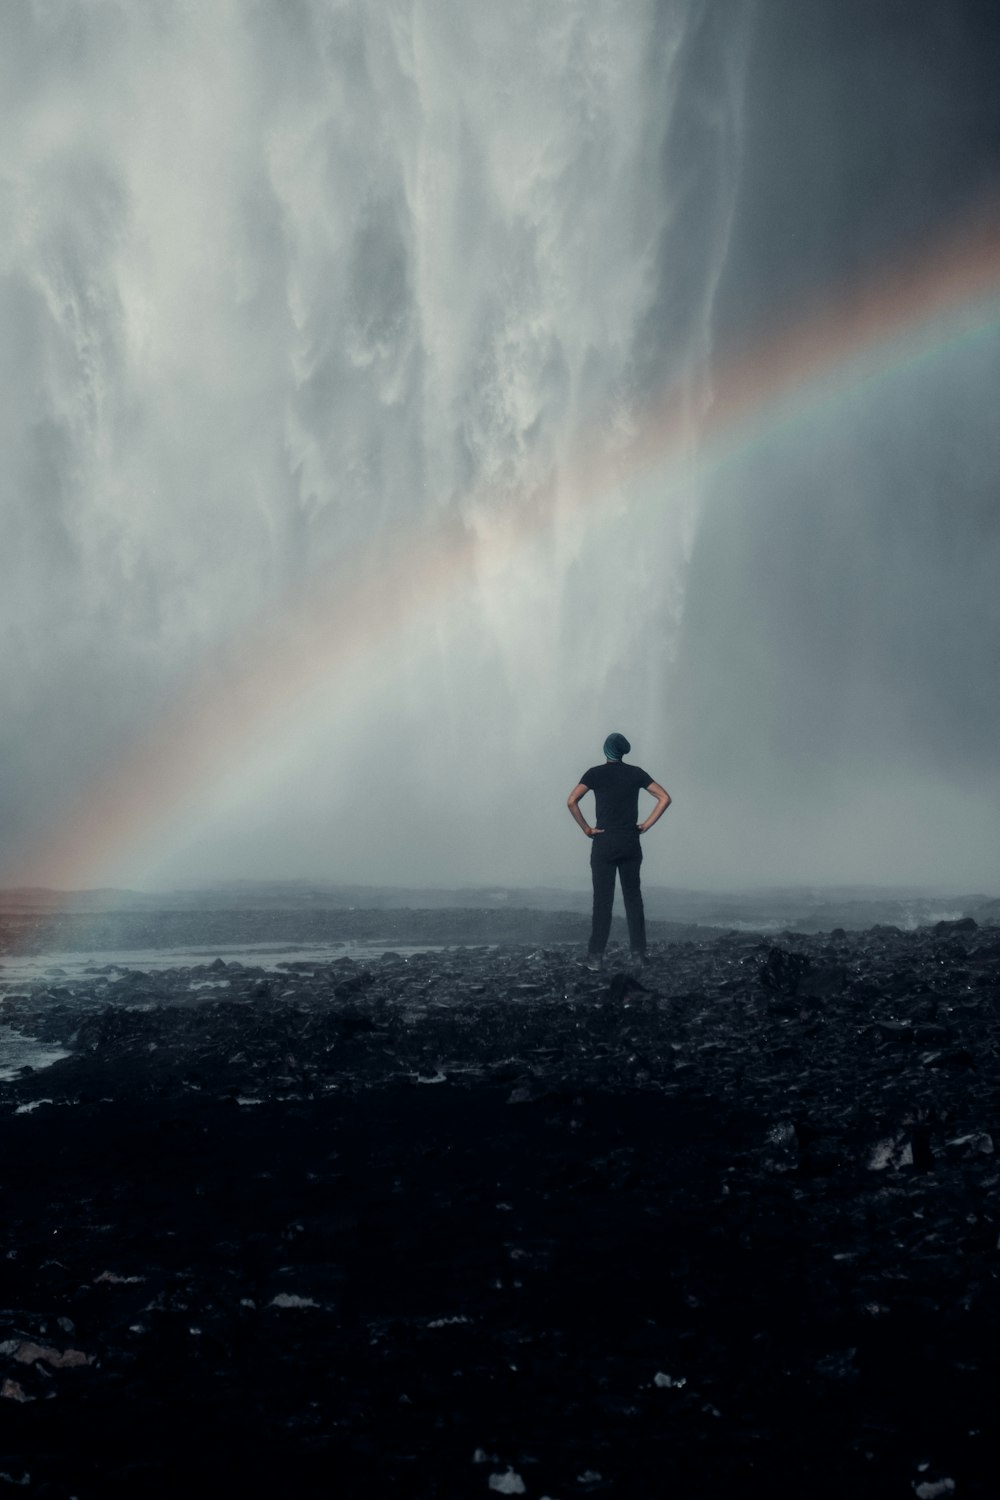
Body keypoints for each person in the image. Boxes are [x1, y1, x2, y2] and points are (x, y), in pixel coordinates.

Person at [567, 732, 671, 969]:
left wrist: (586, 829)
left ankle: (595, 957)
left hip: (603, 842)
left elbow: (571, 801)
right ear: (623, 752)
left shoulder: (594, 774)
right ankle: (638, 955)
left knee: (602, 901)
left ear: (606, 750)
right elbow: (664, 798)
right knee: (633, 899)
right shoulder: (636, 773)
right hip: (630, 842)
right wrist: (645, 825)